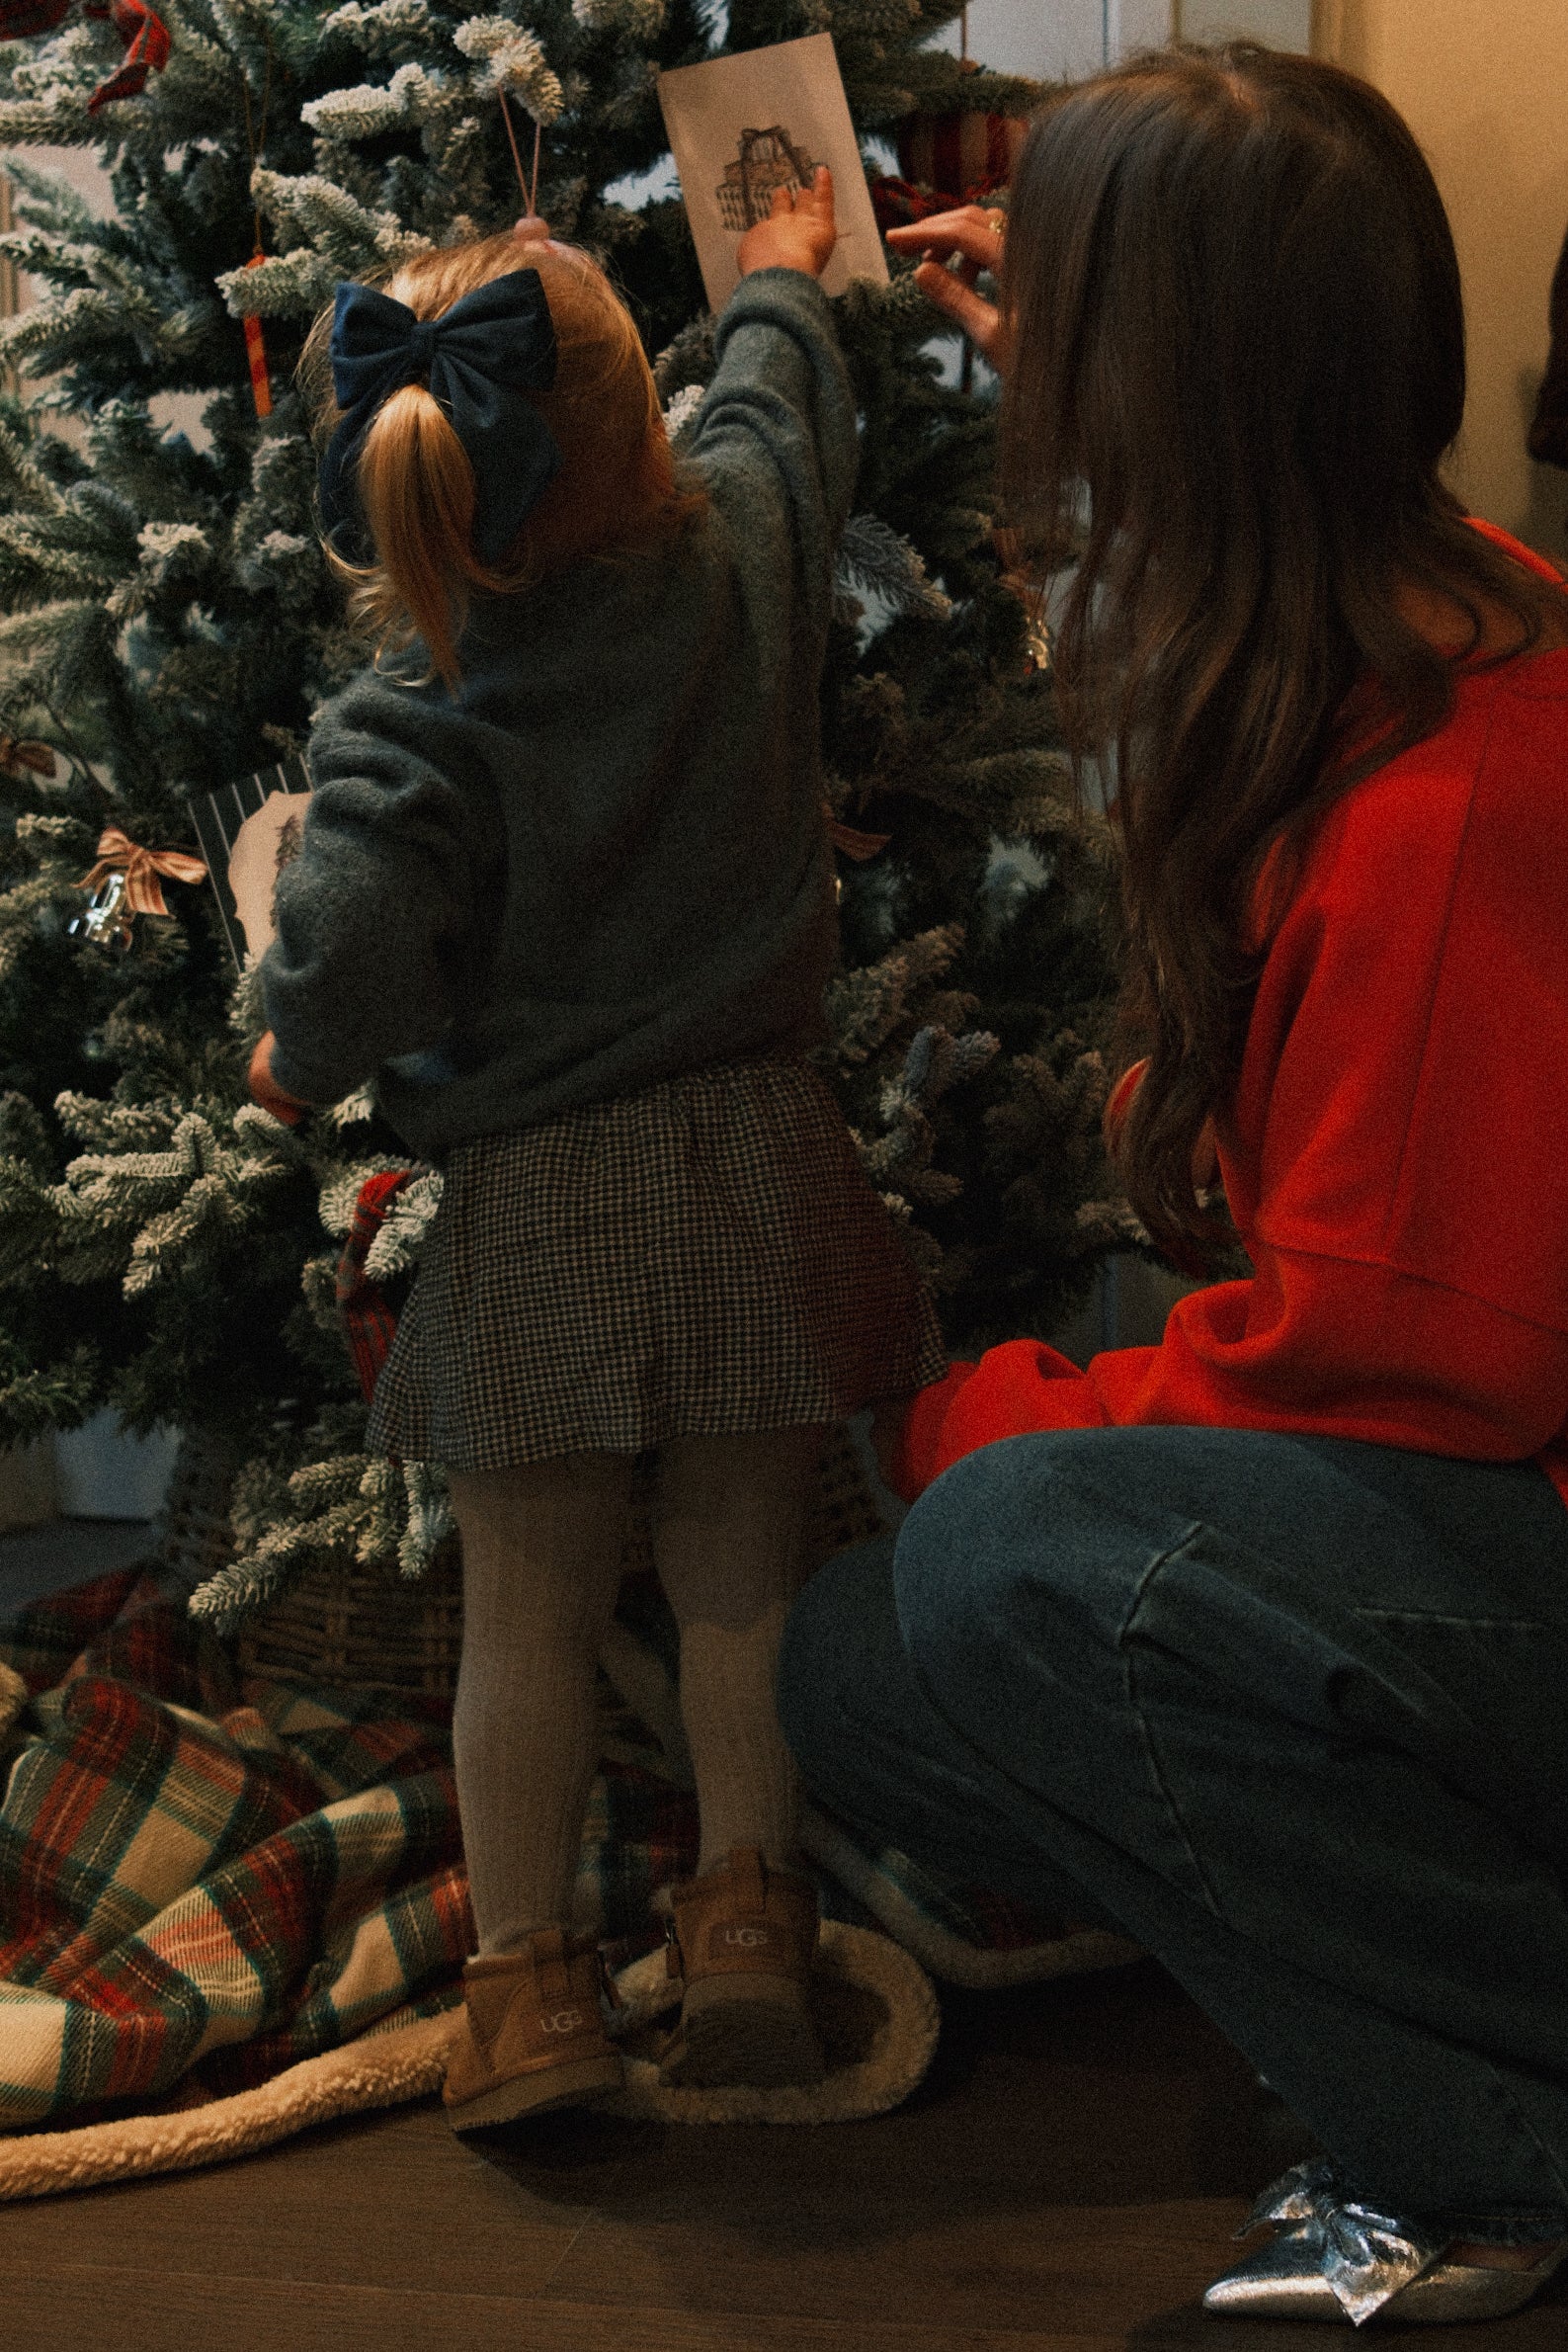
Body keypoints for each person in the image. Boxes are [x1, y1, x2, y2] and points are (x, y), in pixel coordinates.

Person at [778, 43, 1568, 2327]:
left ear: (1184, 385)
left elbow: (1397, 1366)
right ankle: (1425, 1975)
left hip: (1490, 1473)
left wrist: (968, 1421)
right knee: (864, 1659)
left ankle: (1485, 2140)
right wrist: (1090, 370)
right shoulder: (1393, 597)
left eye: (1077, 308)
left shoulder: (1454, 801)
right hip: (1469, 1490)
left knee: (1001, 1548)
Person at [247, 168, 945, 2130]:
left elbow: (358, 949)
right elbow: (775, 408)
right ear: (642, 440)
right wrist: (789, 274)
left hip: (544, 1200)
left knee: (525, 1606)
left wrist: (293, 1056)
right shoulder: (739, 566)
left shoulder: (419, 711)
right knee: (740, 1572)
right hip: (751, 1158)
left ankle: (531, 1988)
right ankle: (747, 1917)